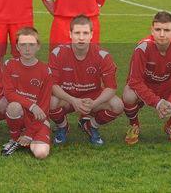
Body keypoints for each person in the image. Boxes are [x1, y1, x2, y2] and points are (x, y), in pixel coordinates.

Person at [123, 11, 171, 146]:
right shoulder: (143, 48)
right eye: (158, 29)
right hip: (146, 85)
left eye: (166, 30)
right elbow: (135, 81)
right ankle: (134, 125)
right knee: (128, 94)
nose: (162, 34)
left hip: (167, 85)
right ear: (152, 30)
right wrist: (157, 103)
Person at [49, 15, 123, 146]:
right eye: (77, 33)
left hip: (92, 98)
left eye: (85, 33)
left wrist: (94, 103)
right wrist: (73, 100)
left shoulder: (103, 55)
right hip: (67, 97)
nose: (81, 37)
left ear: (91, 35)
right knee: (50, 101)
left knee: (117, 105)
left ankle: (91, 125)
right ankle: (63, 127)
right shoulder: (57, 53)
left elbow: (110, 87)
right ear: (70, 34)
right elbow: (53, 85)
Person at [1, 27, 53, 159]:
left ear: (38, 46)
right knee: (13, 106)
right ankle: (15, 139)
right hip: (21, 112)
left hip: (38, 119)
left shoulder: (45, 71)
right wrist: (31, 105)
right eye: (23, 45)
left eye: (31, 45)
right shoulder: (9, 65)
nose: (27, 49)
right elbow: (9, 93)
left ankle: (27, 136)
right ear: (17, 47)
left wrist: (30, 133)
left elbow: (44, 107)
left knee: (41, 153)